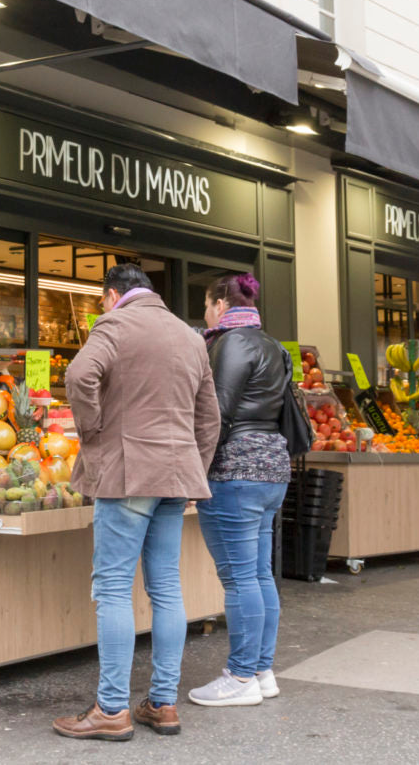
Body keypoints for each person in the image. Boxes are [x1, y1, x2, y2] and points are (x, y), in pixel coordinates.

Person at [52, 263, 221, 741]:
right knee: (166, 588)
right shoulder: (191, 336)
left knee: (112, 589)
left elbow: (79, 375)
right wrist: (193, 468)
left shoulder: (115, 325)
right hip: (175, 476)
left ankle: (111, 709)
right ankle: (163, 704)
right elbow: (210, 418)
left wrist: (94, 434)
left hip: (127, 474)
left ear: (112, 296)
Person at [187, 273, 291, 708]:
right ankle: (262, 670)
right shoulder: (272, 345)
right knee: (259, 574)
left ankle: (241, 676)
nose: (206, 314)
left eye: (206, 306)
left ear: (219, 304)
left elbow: (218, 414)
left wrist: (194, 469)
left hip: (235, 471)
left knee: (239, 577)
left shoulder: (230, 343)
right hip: (271, 468)